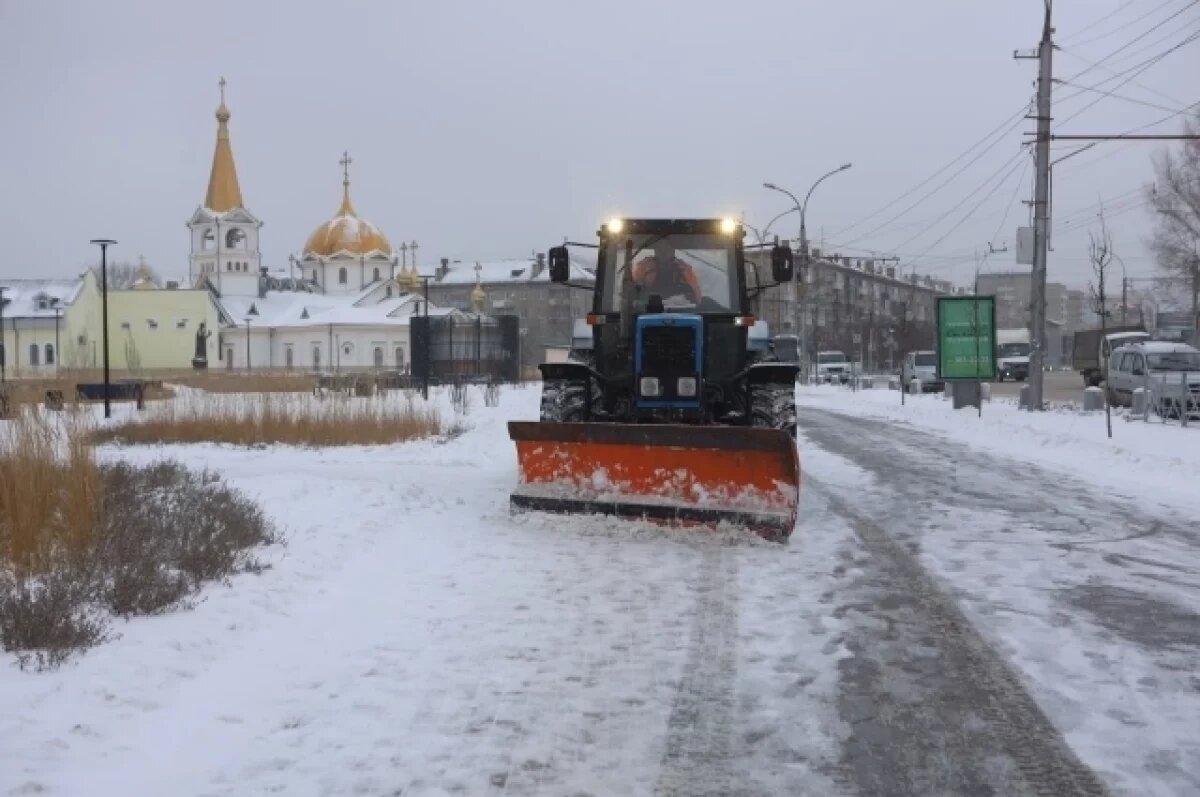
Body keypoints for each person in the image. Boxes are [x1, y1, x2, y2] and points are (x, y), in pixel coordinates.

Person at [632, 241, 703, 305]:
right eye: (660, 248)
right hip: (648, 311)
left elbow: (697, 297)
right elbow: (633, 295)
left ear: (673, 250)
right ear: (655, 250)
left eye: (667, 248)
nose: (663, 251)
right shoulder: (644, 268)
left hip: (680, 312)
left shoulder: (684, 269)